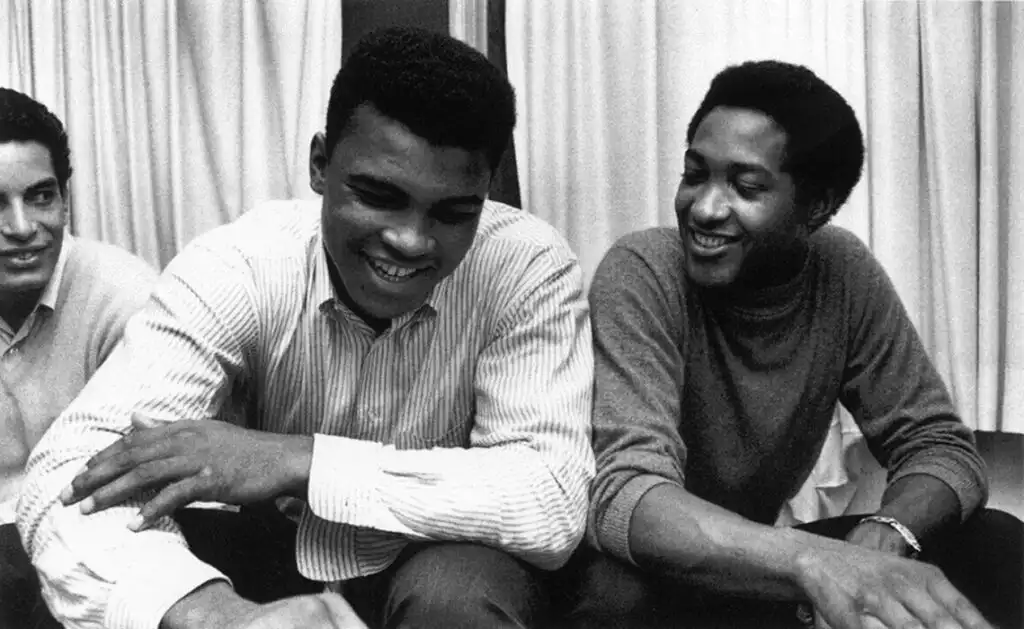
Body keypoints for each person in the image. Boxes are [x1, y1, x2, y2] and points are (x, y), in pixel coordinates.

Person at [17, 26, 594, 629]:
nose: (410, 240)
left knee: (460, 595)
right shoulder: (241, 265)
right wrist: (213, 615)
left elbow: (550, 499)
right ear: (320, 164)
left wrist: (302, 461)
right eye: (378, 195)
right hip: (268, 555)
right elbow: (66, 479)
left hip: (436, 563)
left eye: (453, 212)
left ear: (487, 195)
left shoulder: (528, 265)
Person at [568, 60, 1022, 629]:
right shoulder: (644, 270)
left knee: (996, 542)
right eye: (694, 174)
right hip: (646, 572)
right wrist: (817, 562)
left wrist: (889, 532)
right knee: (616, 596)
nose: (704, 208)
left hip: (760, 573)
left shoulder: (843, 272)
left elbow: (940, 447)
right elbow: (627, 496)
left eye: (746, 186)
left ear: (816, 208)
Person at [0, 87, 158, 629]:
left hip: (93, 532)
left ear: (66, 200)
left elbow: (141, 479)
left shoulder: (126, 295)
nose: (21, 228)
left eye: (40, 197)